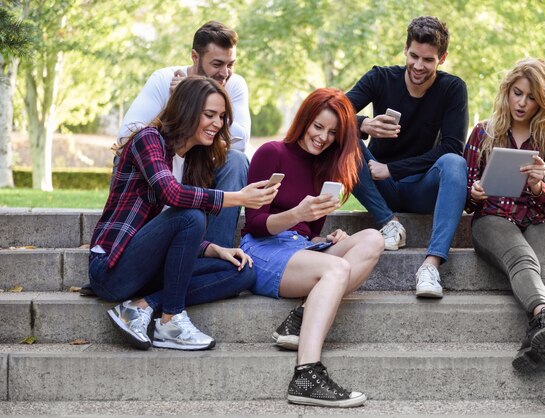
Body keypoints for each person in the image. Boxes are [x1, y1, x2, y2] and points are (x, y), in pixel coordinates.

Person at [89, 76, 278, 351]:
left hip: (149, 267)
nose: (217, 124)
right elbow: (172, 196)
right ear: (187, 110)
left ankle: (142, 306)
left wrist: (214, 249)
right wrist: (238, 198)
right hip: (112, 269)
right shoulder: (148, 139)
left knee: (242, 272)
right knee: (192, 214)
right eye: (209, 114)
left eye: (222, 116)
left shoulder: (192, 160)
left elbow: (168, 229)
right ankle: (170, 321)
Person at [240, 88, 384, 407]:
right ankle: (306, 374)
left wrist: (326, 240)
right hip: (263, 249)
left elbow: (308, 234)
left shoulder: (325, 169)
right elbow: (255, 223)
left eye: (332, 133)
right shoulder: (271, 153)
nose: (322, 137)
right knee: (337, 268)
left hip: (299, 250)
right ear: (304, 119)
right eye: (318, 126)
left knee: (374, 238)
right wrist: (296, 214)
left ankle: (301, 315)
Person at [463, 58, 545, 373]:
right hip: (493, 219)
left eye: (531, 97)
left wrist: (537, 187)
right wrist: (474, 193)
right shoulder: (483, 133)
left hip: (540, 219)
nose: (522, 102)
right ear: (507, 91)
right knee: (523, 259)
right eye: (517, 93)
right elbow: (465, 195)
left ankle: (539, 338)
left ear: (543, 102)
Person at [346, 16, 468, 299]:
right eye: (414, 56)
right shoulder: (380, 78)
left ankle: (431, 264)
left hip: (420, 188)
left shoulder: (452, 89)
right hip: (380, 189)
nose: (418, 66)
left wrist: (392, 169)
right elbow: (328, 113)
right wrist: (363, 124)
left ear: (443, 58)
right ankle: (389, 224)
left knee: (454, 163)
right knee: (343, 134)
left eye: (428, 60)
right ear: (405, 49)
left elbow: (452, 147)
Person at [117, 20, 250, 249]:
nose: (225, 73)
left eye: (231, 64)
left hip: (201, 166)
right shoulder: (163, 79)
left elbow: (240, 142)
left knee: (236, 161)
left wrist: (207, 102)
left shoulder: (234, 84)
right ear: (195, 57)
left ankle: (219, 254)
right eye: (217, 64)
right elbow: (126, 136)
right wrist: (181, 102)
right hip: (162, 167)